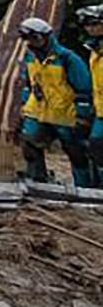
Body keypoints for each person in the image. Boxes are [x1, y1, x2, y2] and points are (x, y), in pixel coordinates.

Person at [18, 16, 94, 187]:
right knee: (30, 144)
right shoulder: (30, 57)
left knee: (76, 153)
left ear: (46, 37)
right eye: (28, 38)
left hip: (65, 114)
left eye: (35, 38)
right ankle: (37, 182)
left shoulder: (67, 59)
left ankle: (84, 187)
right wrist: (24, 105)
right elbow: (28, 84)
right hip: (38, 111)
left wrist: (82, 115)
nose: (32, 42)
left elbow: (84, 89)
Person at [76, 5, 103, 185]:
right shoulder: (95, 50)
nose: (90, 28)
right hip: (100, 108)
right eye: (87, 25)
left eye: (94, 24)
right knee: (95, 146)